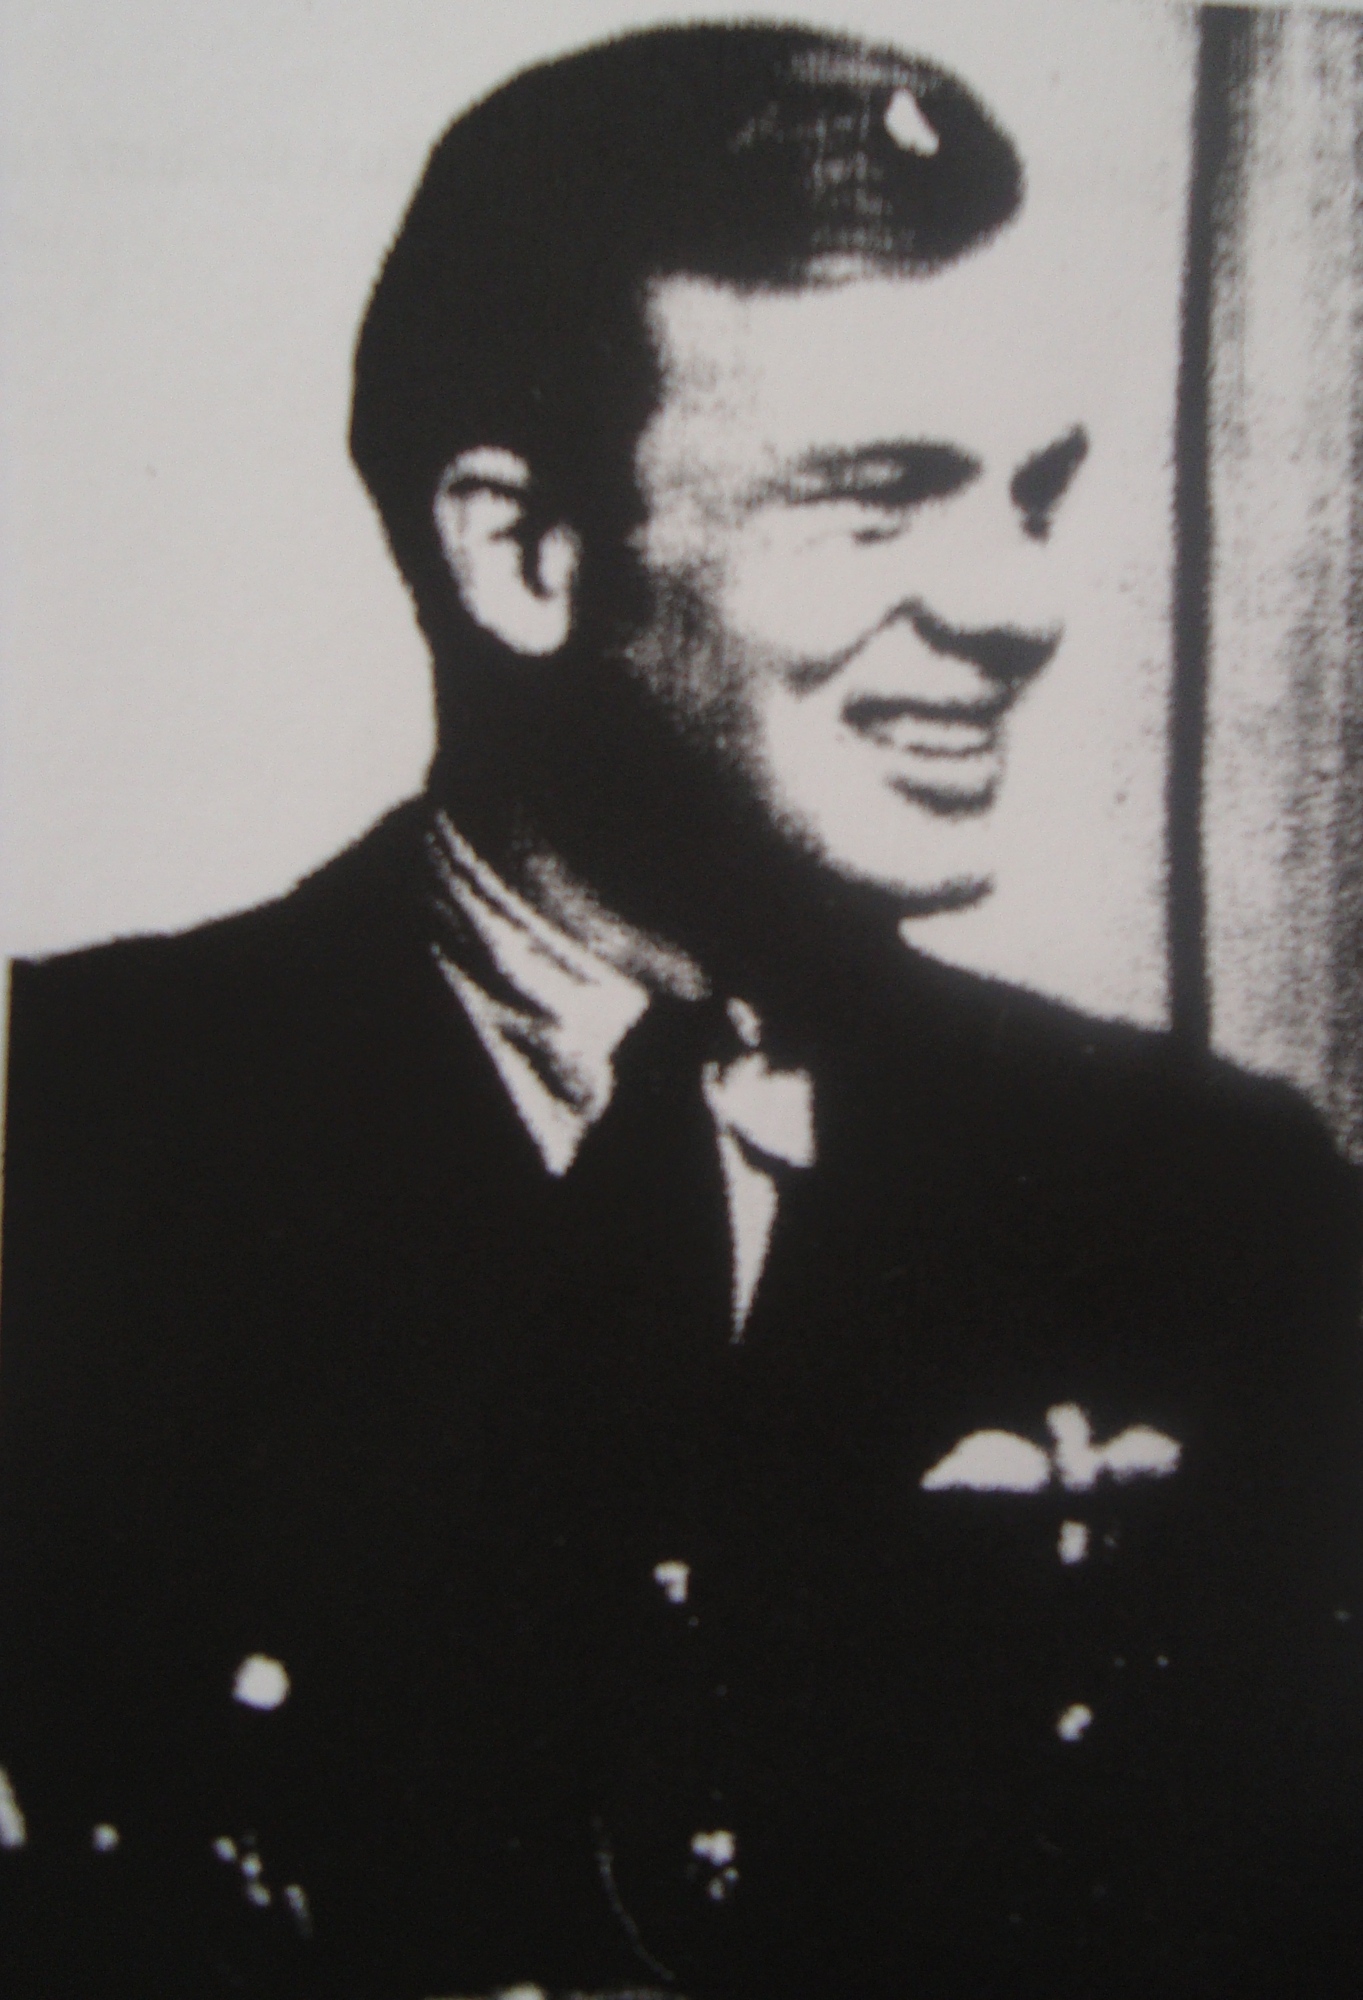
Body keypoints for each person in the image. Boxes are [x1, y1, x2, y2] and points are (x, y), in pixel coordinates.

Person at [1, 23, 1360, 2000]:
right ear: (521, 555)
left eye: (1033, 498)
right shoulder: (66, 1142)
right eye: (877, 502)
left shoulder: (1215, 1209)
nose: (1015, 608)